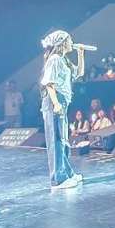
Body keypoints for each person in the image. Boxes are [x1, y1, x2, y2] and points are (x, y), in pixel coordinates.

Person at [39, 30, 85, 190]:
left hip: (62, 101)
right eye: (69, 39)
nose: (72, 41)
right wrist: (56, 103)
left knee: (64, 140)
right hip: (54, 101)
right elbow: (49, 83)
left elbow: (79, 73)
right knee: (56, 140)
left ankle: (68, 173)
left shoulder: (64, 60)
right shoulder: (55, 59)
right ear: (62, 42)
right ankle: (58, 179)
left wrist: (80, 54)